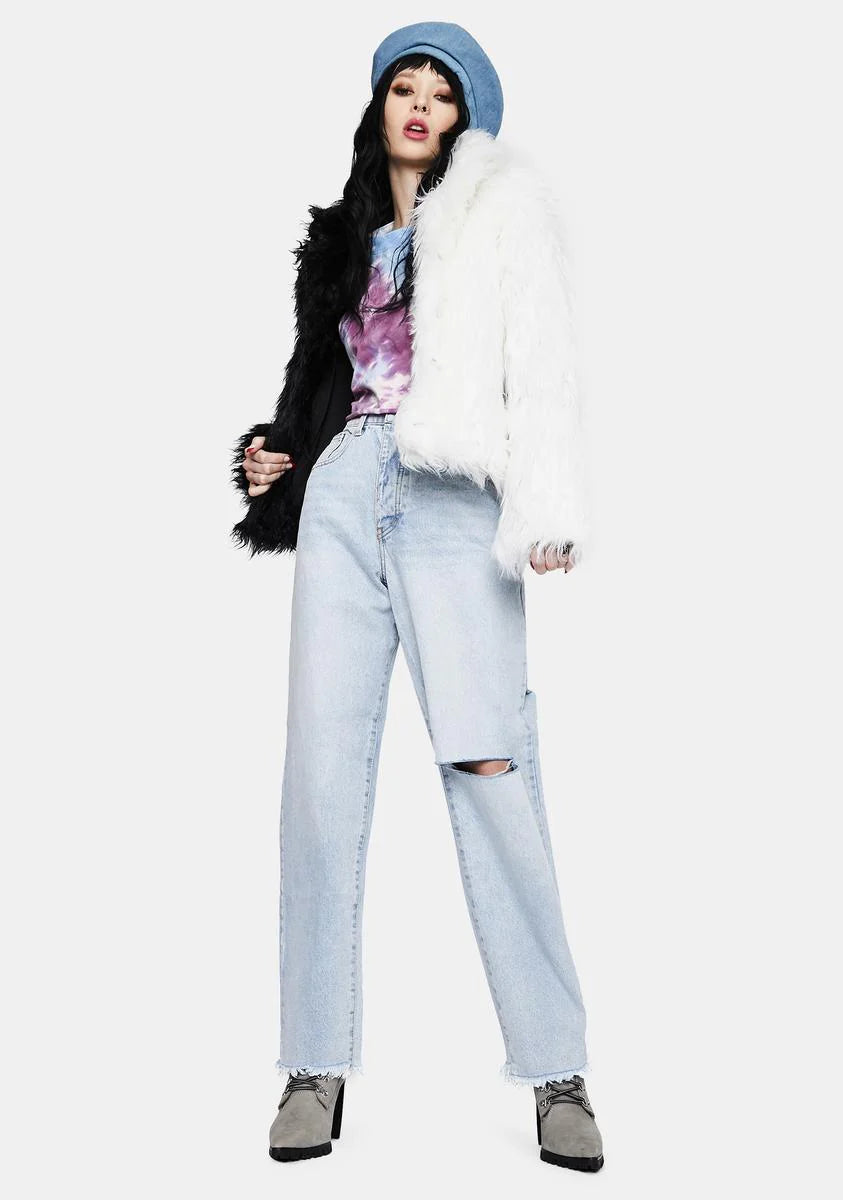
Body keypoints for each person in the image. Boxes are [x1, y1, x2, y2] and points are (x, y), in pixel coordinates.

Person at [230, 21, 604, 1172]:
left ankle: (556, 1068)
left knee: (490, 764)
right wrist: (274, 455)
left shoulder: (500, 215)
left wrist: (547, 506)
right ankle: (312, 1063)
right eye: (406, 83)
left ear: (462, 120)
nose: (421, 102)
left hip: (451, 499)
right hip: (345, 494)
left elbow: (542, 364)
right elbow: (320, 384)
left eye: (442, 91)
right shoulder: (339, 237)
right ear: (381, 103)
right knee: (318, 778)